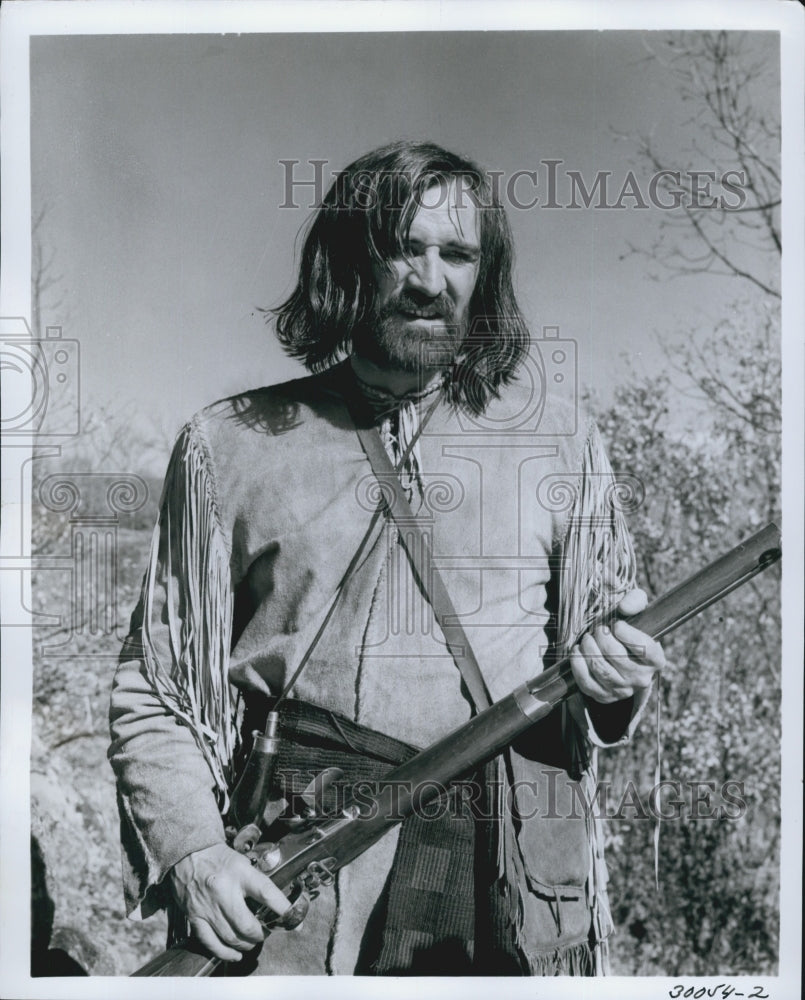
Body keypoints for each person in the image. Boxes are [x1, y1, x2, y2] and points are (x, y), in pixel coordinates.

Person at [108, 140, 665, 976]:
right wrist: (191, 853)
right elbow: (156, 688)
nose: (429, 279)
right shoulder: (225, 445)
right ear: (347, 261)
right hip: (299, 892)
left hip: (510, 892)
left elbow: (599, 685)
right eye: (403, 246)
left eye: (458, 253)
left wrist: (620, 680)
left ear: (485, 275)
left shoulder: (563, 446)